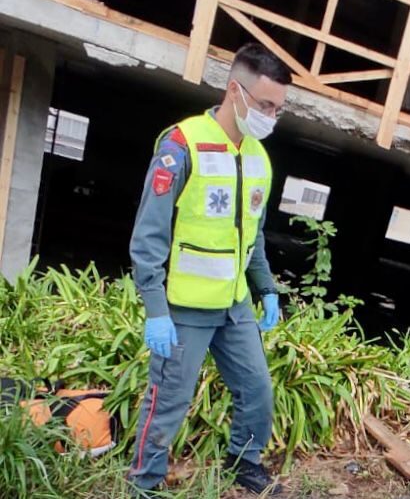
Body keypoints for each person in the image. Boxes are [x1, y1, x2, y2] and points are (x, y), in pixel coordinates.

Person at [127, 43, 292, 497]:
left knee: (257, 391)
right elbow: (149, 236)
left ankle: (245, 462)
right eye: (264, 105)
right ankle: (145, 482)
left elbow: (252, 233)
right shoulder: (181, 144)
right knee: (168, 403)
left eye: (278, 109)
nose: (270, 117)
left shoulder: (259, 157)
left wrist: (266, 288)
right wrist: (154, 306)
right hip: (184, 308)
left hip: (234, 304)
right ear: (233, 90)